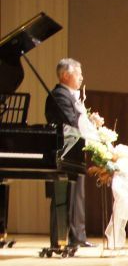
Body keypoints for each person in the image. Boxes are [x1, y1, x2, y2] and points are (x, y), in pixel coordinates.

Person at [45, 58, 91, 247]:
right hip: (63, 153)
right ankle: (61, 240)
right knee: (64, 196)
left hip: (74, 152)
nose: (81, 78)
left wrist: (90, 122)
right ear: (65, 75)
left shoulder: (70, 95)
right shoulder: (59, 95)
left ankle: (77, 237)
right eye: (78, 74)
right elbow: (70, 122)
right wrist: (88, 123)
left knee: (76, 196)